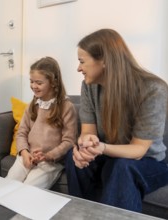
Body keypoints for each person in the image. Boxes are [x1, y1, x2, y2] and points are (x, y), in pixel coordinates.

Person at [65, 28, 168, 212]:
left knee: (122, 167)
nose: (78, 68)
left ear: (104, 61)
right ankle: (80, 215)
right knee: (73, 158)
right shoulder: (89, 86)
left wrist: (102, 147)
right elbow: (88, 132)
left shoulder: (153, 89)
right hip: (110, 156)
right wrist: (84, 146)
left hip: (148, 162)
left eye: (82, 62)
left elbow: (138, 150)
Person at [6, 57, 77, 189]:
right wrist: (24, 152)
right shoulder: (32, 105)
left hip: (49, 163)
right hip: (26, 157)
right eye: (31, 81)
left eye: (38, 83)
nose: (33, 86)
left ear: (53, 82)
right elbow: (21, 133)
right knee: (7, 184)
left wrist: (48, 156)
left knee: (28, 190)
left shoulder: (67, 107)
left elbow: (69, 141)